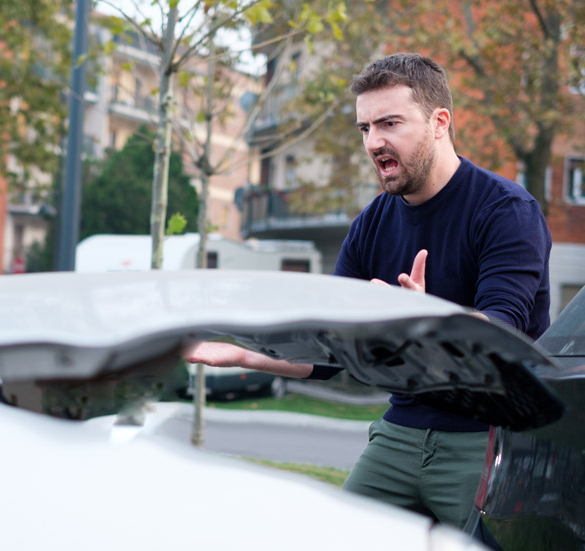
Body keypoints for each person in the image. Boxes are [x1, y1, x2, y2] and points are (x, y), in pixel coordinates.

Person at [185, 52, 551, 528]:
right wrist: (243, 355)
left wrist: (428, 322)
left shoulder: (506, 210)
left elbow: (505, 326)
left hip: (487, 439)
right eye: (365, 128)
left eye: (390, 123)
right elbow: (329, 348)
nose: (374, 141)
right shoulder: (372, 223)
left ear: (440, 122)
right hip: (399, 433)